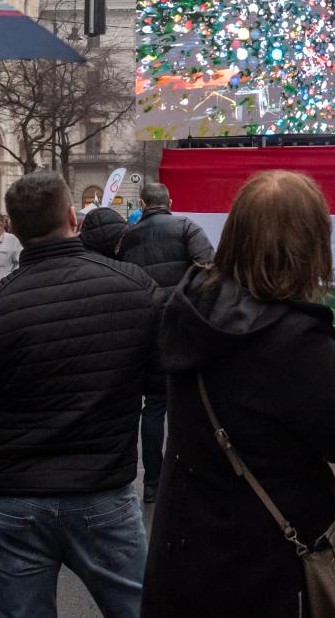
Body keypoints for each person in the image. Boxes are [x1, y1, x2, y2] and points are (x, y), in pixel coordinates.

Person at [142, 170, 335, 616]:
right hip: (264, 567)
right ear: (311, 244)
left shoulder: (188, 307)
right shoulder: (293, 338)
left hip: (183, 554)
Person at [0, 171, 158, 618]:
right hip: (101, 489)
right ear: (72, 216)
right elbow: (161, 381)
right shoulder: (133, 287)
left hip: (12, 497)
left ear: (15, 229)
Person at [117, 182, 215, 505]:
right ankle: (184, 477)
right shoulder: (187, 227)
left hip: (146, 329)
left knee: (154, 407)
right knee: (186, 405)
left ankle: (153, 484)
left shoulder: (129, 236)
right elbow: (208, 268)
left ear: (142, 204)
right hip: (182, 326)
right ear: (169, 201)